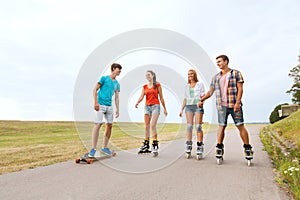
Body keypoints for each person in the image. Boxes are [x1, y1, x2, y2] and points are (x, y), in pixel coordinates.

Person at [198, 55, 253, 160]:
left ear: (226, 61)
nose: (218, 64)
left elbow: (240, 89)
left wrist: (237, 102)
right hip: (221, 106)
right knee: (221, 126)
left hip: (234, 105)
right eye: (217, 62)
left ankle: (247, 148)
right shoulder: (216, 77)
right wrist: (202, 99)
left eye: (219, 61)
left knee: (240, 126)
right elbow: (210, 92)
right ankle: (219, 147)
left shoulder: (236, 73)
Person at [88, 63, 122, 157]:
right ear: (114, 69)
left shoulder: (117, 83)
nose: (120, 71)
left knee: (109, 125)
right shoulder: (104, 78)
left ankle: (104, 148)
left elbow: (117, 98)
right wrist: (95, 102)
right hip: (100, 105)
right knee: (98, 124)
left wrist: (118, 109)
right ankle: (93, 149)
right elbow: (95, 90)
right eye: (119, 69)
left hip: (109, 106)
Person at [135, 70, 168, 156]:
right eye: (146, 75)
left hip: (155, 106)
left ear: (153, 75)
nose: (147, 76)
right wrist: (137, 102)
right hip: (147, 107)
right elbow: (142, 96)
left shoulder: (157, 85)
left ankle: (155, 144)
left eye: (149, 75)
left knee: (153, 125)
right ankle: (146, 144)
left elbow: (161, 97)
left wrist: (165, 108)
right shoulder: (144, 86)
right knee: (146, 126)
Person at [179, 69, 206, 159]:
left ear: (195, 75)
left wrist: (201, 103)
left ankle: (199, 145)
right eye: (188, 74)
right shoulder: (186, 86)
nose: (190, 75)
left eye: (191, 74)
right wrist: (181, 109)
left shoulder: (200, 84)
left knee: (198, 126)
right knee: (189, 126)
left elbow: (203, 96)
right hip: (189, 107)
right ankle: (189, 145)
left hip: (198, 106)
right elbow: (185, 99)